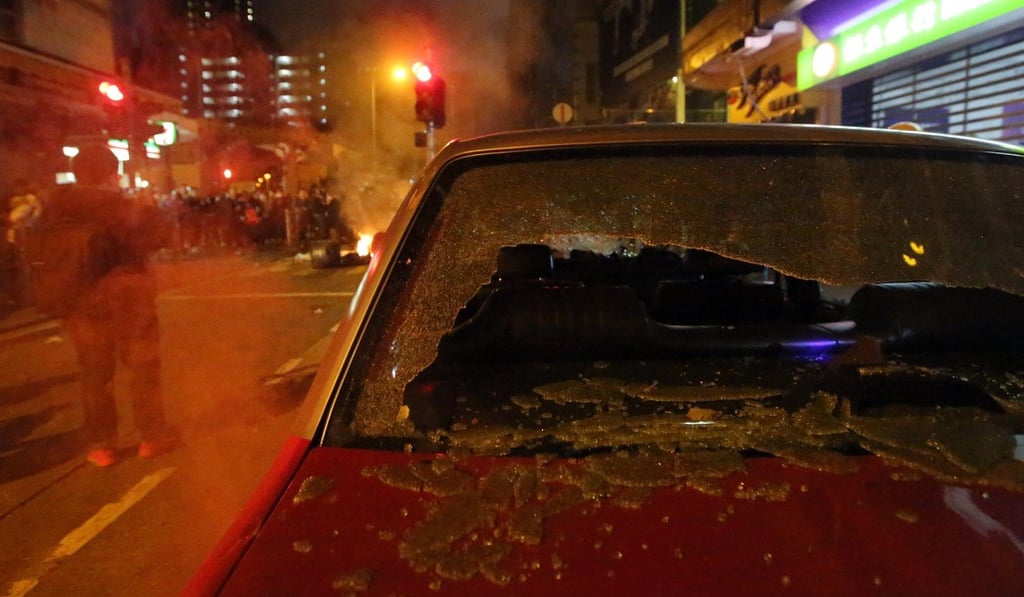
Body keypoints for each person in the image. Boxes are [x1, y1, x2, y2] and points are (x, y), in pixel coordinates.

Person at [35, 145, 177, 467]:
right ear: (113, 173)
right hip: (127, 300)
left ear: (77, 172)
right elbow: (156, 239)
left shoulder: (54, 209)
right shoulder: (120, 206)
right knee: (142, 369)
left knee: (95, 376)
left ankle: (103, 445)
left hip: (80, 303)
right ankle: (152, 437)